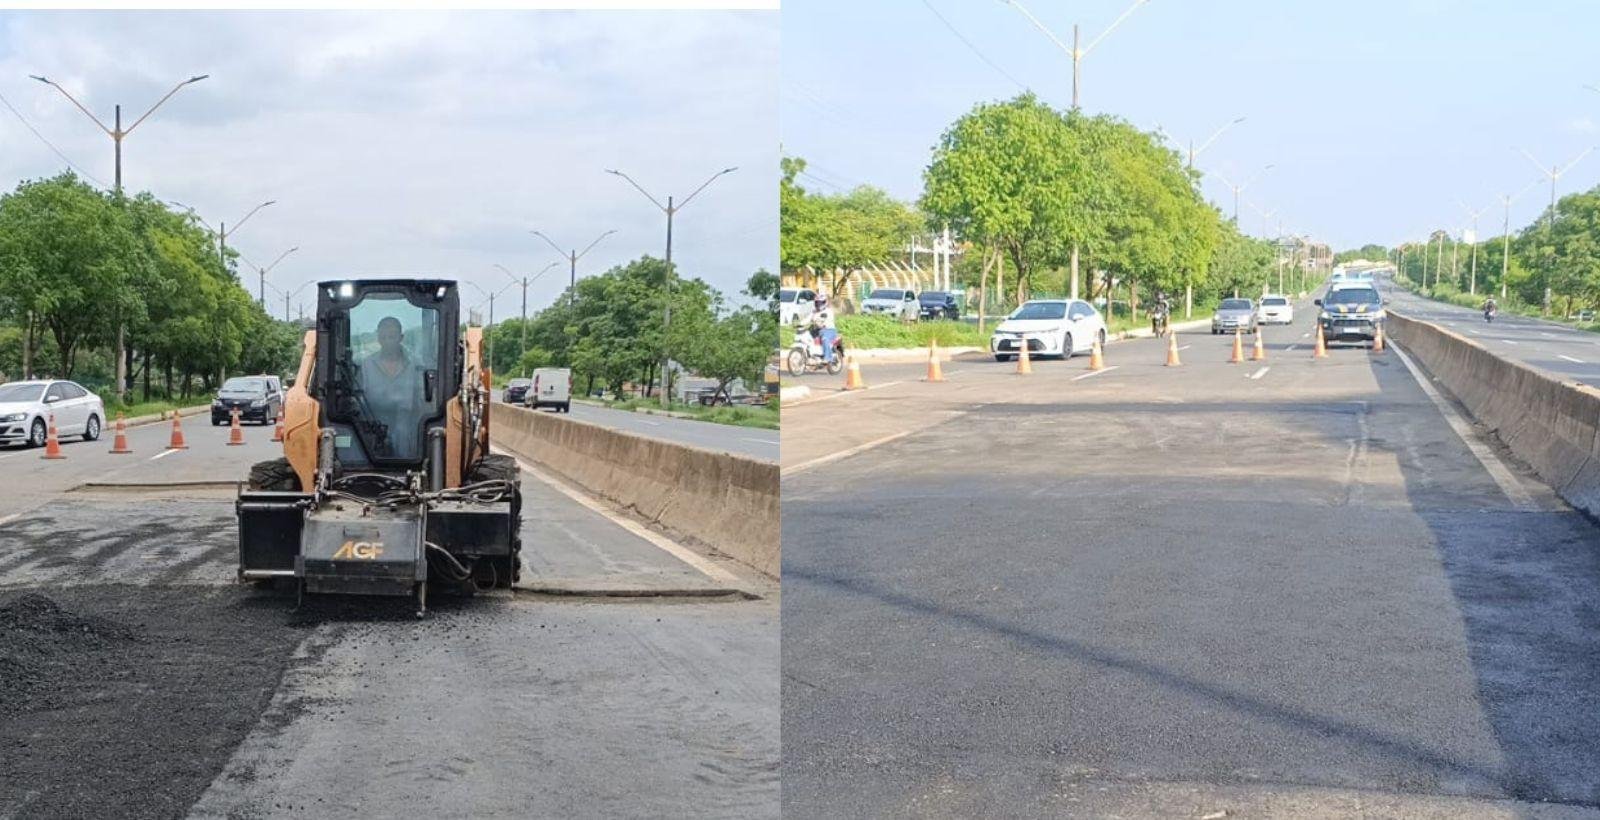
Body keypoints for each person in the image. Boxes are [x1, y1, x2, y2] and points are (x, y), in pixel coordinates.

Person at [357, 316, 425, 458]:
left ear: (401, 337)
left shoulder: (416, 365)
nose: (388, 341)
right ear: (378, 339)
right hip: (373, 431)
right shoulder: (366, 366)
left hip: (407, 431)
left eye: (392, 336)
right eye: (384, 337)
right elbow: (357, 402)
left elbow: (423, 400)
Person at [809, 295, 837, 364]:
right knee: (807, 337)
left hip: (829, 330)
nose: (818, 304)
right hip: (818, 330)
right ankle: (812, 356)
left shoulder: (828, 311)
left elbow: (829, 320)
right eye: (817, 303)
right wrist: (799, 324)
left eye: (820, 303)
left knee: (825, 338)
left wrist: (823, 324)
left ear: (824, 303)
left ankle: (828, 358)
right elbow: (808, 319)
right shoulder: (814, 312)